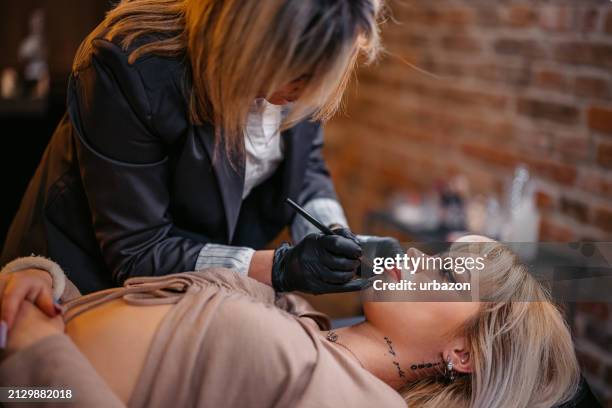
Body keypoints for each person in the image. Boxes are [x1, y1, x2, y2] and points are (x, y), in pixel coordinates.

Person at [1, 0, 398, 296]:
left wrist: (338, 235)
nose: (308, 92)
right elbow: (139, 250)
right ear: (248, 40)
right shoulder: (130, 65)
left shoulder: (314, 57)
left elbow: (305, 170)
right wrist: (280, 268)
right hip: (78, 284)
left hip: (197, 292)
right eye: (300, 74)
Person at [0, 237, 580, 407]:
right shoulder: (306, 317)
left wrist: (39, 361)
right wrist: (46, 287)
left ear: (465, 353)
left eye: (449, 277)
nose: (417, 259)